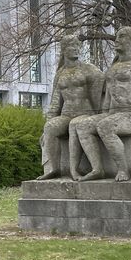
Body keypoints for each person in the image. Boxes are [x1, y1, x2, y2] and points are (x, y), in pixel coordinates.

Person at [70, 26, 131, 181]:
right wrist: (100, 113)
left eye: (121, 36)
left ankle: (123, 170)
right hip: (112, 113)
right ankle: (97, 169)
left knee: (105, 126)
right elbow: (107, 96)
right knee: (83, 126)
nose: (117, 40)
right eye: (117, 36)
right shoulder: (113, 67)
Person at [37, 35, 104, 180]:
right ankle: (52, 169)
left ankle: (75, 170)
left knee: (76, 124)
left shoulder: (89, 69)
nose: (76, 49)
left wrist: (100, 116)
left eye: (77, 46)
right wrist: (47, 123)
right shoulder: (60, 74)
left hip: (86, 113)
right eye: (72, 46)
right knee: (49, 127)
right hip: (66, 114)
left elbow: (100, 93)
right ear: (64, 50)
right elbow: (55, 102)